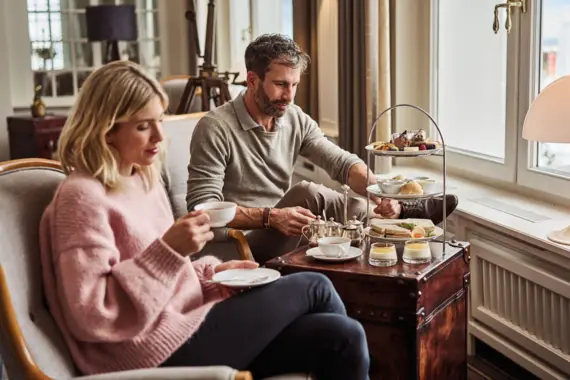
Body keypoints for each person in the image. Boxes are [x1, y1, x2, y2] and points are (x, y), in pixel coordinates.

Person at [39, 60, 370, 380]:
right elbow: (91, 312)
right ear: (106, 131)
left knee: (344, 335)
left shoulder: (141, 178)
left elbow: (171, 275)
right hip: (143, 351)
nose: (159, 136)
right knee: (314, 285)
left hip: (182, 320)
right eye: (143, 126)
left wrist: (214, 273)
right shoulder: (81, 197)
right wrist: (169, 250)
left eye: (160, 120)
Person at [186, 33, 457, 263]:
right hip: (236, 245)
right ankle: (407, 215)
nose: (289, 96)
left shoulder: (293, 117)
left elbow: (340, 163)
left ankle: (399, 214)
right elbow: (203, 210)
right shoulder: (215, 127)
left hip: (284, 230)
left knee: (348, 233)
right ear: (253, 81)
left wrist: (381, 193)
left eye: (294, 85)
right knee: (307, 192)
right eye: (280, 85)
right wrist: (270, 216)